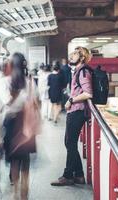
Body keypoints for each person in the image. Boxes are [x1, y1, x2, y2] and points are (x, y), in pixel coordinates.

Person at [51, 46, 93, 186]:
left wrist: (71, 100)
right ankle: (79, 175)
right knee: (70, 142)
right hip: (74, 111)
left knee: (70, 142)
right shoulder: (78, 71)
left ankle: (68, 176)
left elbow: (88, 93)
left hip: (78, 111)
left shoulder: (83, 71)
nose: (71, 55)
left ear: (81, 57)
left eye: (75, 54)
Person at [3, 52, 39, 200]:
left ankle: (14, 194)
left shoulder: (6, 82)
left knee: (14, 163)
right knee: (26, 164)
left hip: (11, 126)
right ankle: (24, 195)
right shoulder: (30, 82)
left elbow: (3, 106)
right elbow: (36, 103)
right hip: (27, 127)